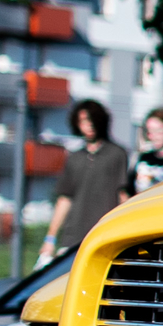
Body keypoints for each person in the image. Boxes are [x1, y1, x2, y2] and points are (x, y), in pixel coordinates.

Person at [38, 99, 127, 264]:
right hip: (73, 238)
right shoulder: (74, 158)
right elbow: (65, 199)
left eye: (92, 120)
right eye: (84, 121)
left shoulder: (117, 154)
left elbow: (123, 196)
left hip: (105, 235)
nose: (89, 125)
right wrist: (50, 239)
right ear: (77, 124)